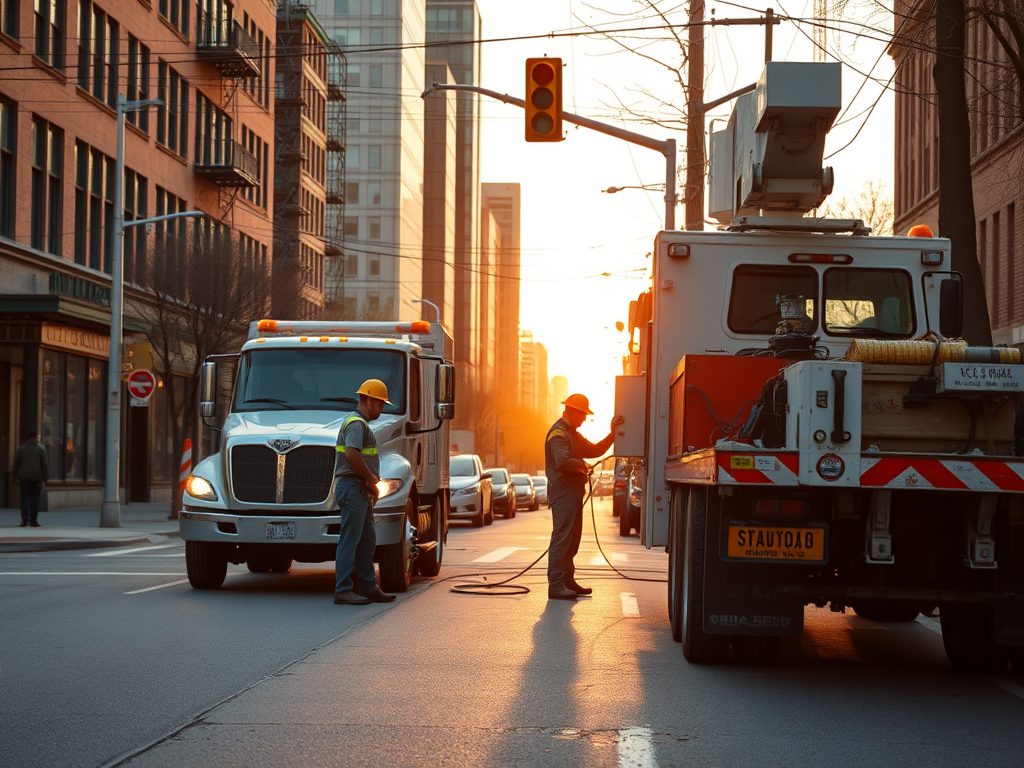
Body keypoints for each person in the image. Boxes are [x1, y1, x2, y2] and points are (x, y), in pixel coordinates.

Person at [545, 394, 624, 600]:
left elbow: (594, 449)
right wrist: (582, 465)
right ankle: (556, 584)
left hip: (572, 491)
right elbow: (562, 461)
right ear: (573, 412)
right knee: (562, 537)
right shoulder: (559, 434)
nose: (584, 420)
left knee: (572, 539)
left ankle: (568, 581)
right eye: (583, 416)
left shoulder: (573, 434)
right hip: (563, 491)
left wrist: (612, 434)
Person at [333, 379, 396, 606]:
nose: (381, 409)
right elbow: (351, 454)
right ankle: (343, 590)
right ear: (368, 400)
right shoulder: (356, 424)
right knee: (350, 540)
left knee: (366, 541)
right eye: (379, 404)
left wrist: (370, 485)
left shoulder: (360, 424)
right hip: (353, 488)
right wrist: (371, 478)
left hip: (360, 490)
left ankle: (368, 587)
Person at [13, 431, 48, 527]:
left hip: (24, 478)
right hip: (37, 478)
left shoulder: (21, 448)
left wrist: (14, 476)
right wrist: (45, 479)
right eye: (38, 438)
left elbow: (16, 463)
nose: (39, 440)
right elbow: (44, 465)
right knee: (35, 500)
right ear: (33, 438)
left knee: (24, 499)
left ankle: (24, 520)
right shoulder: (41, 449)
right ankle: (33, 521)